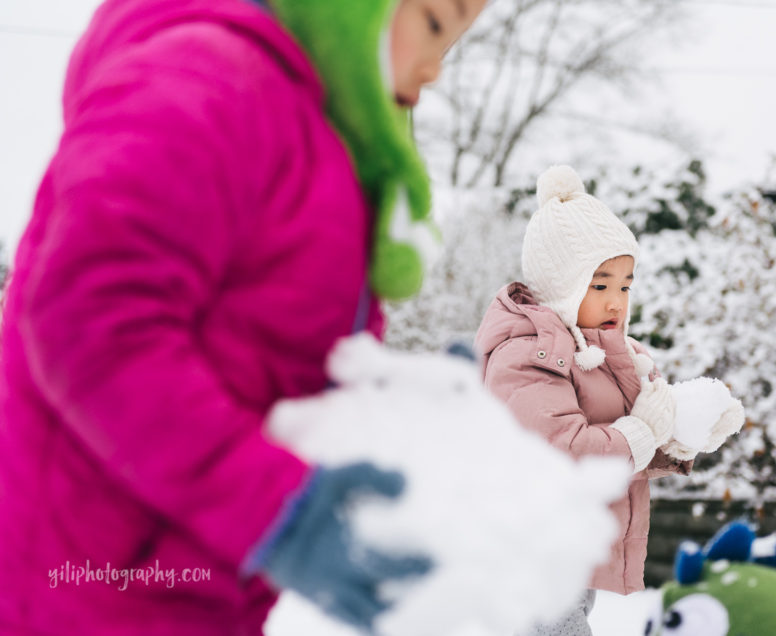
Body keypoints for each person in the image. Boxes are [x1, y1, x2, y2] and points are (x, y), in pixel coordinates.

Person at [0, 0, 485, 633]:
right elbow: (88, 323)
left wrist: (391, 406)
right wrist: (273, 510)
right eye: (433, 23)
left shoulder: (322, 151)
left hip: (200, 584)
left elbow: (270, 365)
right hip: (86, 584)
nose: (435, 68)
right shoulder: (206, 81)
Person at [475, 165, 738, 636]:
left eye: (625, 284)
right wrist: (644, 432)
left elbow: (623, 441)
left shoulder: (609, 356)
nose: (617, 301)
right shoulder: (527, 354)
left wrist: (680, 435)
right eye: (599, 285)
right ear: (560, 283)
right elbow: (564, 453)